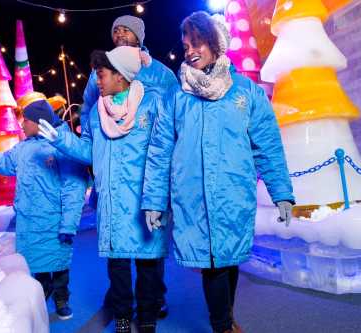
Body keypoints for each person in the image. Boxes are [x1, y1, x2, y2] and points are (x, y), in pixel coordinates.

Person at [141, 11, 295, 333]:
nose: (190, 51)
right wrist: (154, 200)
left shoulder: (245, 92)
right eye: (186, 46)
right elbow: (159, 151)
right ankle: (222, 325)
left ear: (215, 42)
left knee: (229, 257)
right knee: (212, 262)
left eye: (197, 43)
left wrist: (281, 191)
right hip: (193, 195)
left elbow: (266, 143)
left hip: (233, 192)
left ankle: (225, 318)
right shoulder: (176, 96)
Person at [38, 46, 170, 333]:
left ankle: (147, 318)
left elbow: (162, 156)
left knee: (148, 265)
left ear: (120, 76)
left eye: (101, 74)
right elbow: (90, 151)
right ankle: (122, 316)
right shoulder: (97, 113)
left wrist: (157, 199)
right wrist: (60, 138)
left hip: (144, 203)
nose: (97, 80)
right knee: (118, 267)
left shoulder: (152, 105)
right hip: (112, 204)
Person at [80, 14, 177, 318]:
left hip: (148, 168)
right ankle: (121, 305)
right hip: (113, 164)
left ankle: (153, 299)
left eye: (127, 30)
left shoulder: (159, 73)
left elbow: (174, 115)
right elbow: (88, 114)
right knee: (116, 242)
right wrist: (90, 151)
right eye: (116, 30)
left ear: (139, 36)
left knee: (151, 239)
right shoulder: (101, 75)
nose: (120, 34)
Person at [0, 98, 87, 320]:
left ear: (39, 123)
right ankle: (41, 292)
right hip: (29, 222)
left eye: (26, 120)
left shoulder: (62, 147)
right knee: (34, 263)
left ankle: (61, 298)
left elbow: (74, 188)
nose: (22, 125)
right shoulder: (22, 149)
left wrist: (68, 224)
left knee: (58, 262)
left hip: (54, 221)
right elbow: (0, 161)